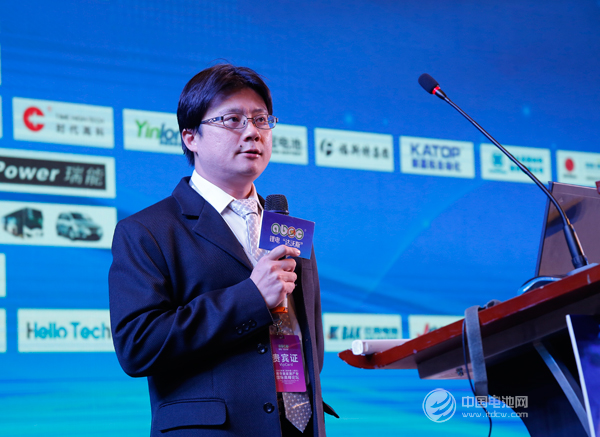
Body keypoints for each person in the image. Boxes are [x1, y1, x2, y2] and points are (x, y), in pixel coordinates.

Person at [109, 64, 336, 436]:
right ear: (190, 137)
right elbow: (138, 346)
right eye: (233, 119)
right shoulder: (147, 230)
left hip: (299, 425)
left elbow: (307, 337)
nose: (253, 131)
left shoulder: (287, 225)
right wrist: (251, 297)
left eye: (261, 119)